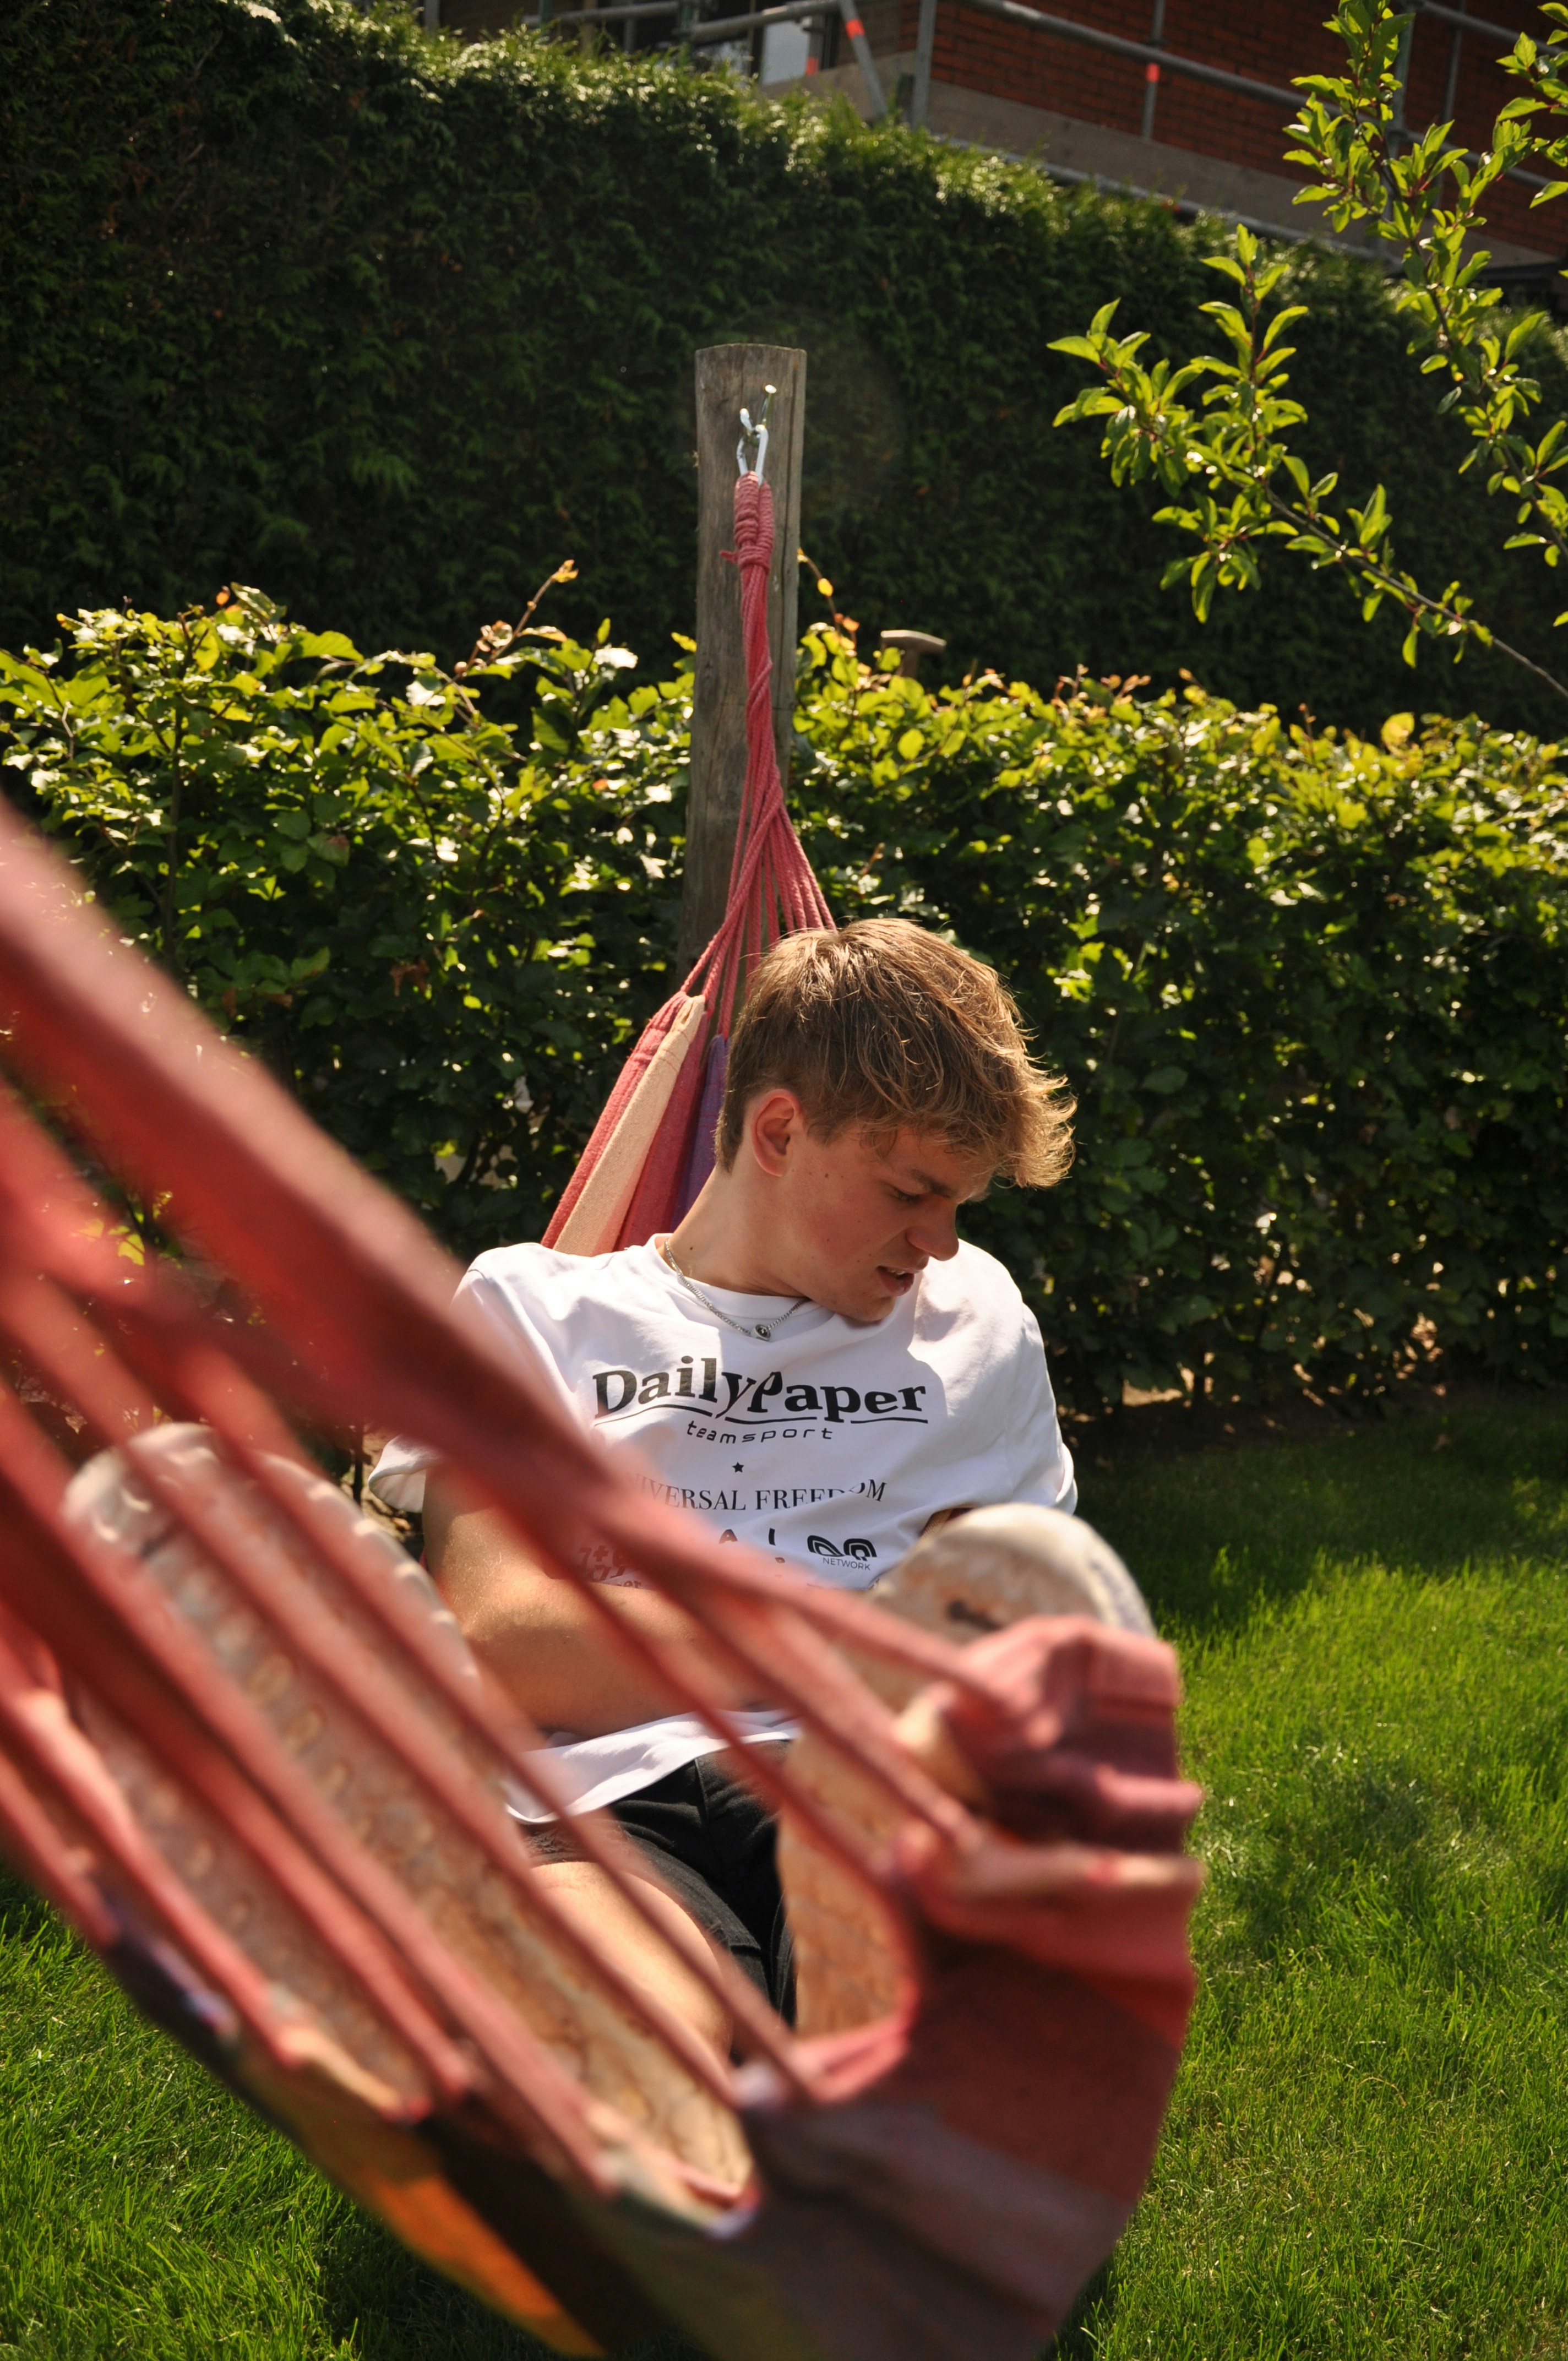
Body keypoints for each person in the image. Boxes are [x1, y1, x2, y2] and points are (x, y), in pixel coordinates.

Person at [371, 918, 1077, 2063]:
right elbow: (511, 1641)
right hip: (595, 1805)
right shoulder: (530, 1310)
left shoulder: (974, 1322)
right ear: (779, 1128)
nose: (939, 1242)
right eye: (910, 1191)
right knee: (623, 2049)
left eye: (960, 1203)